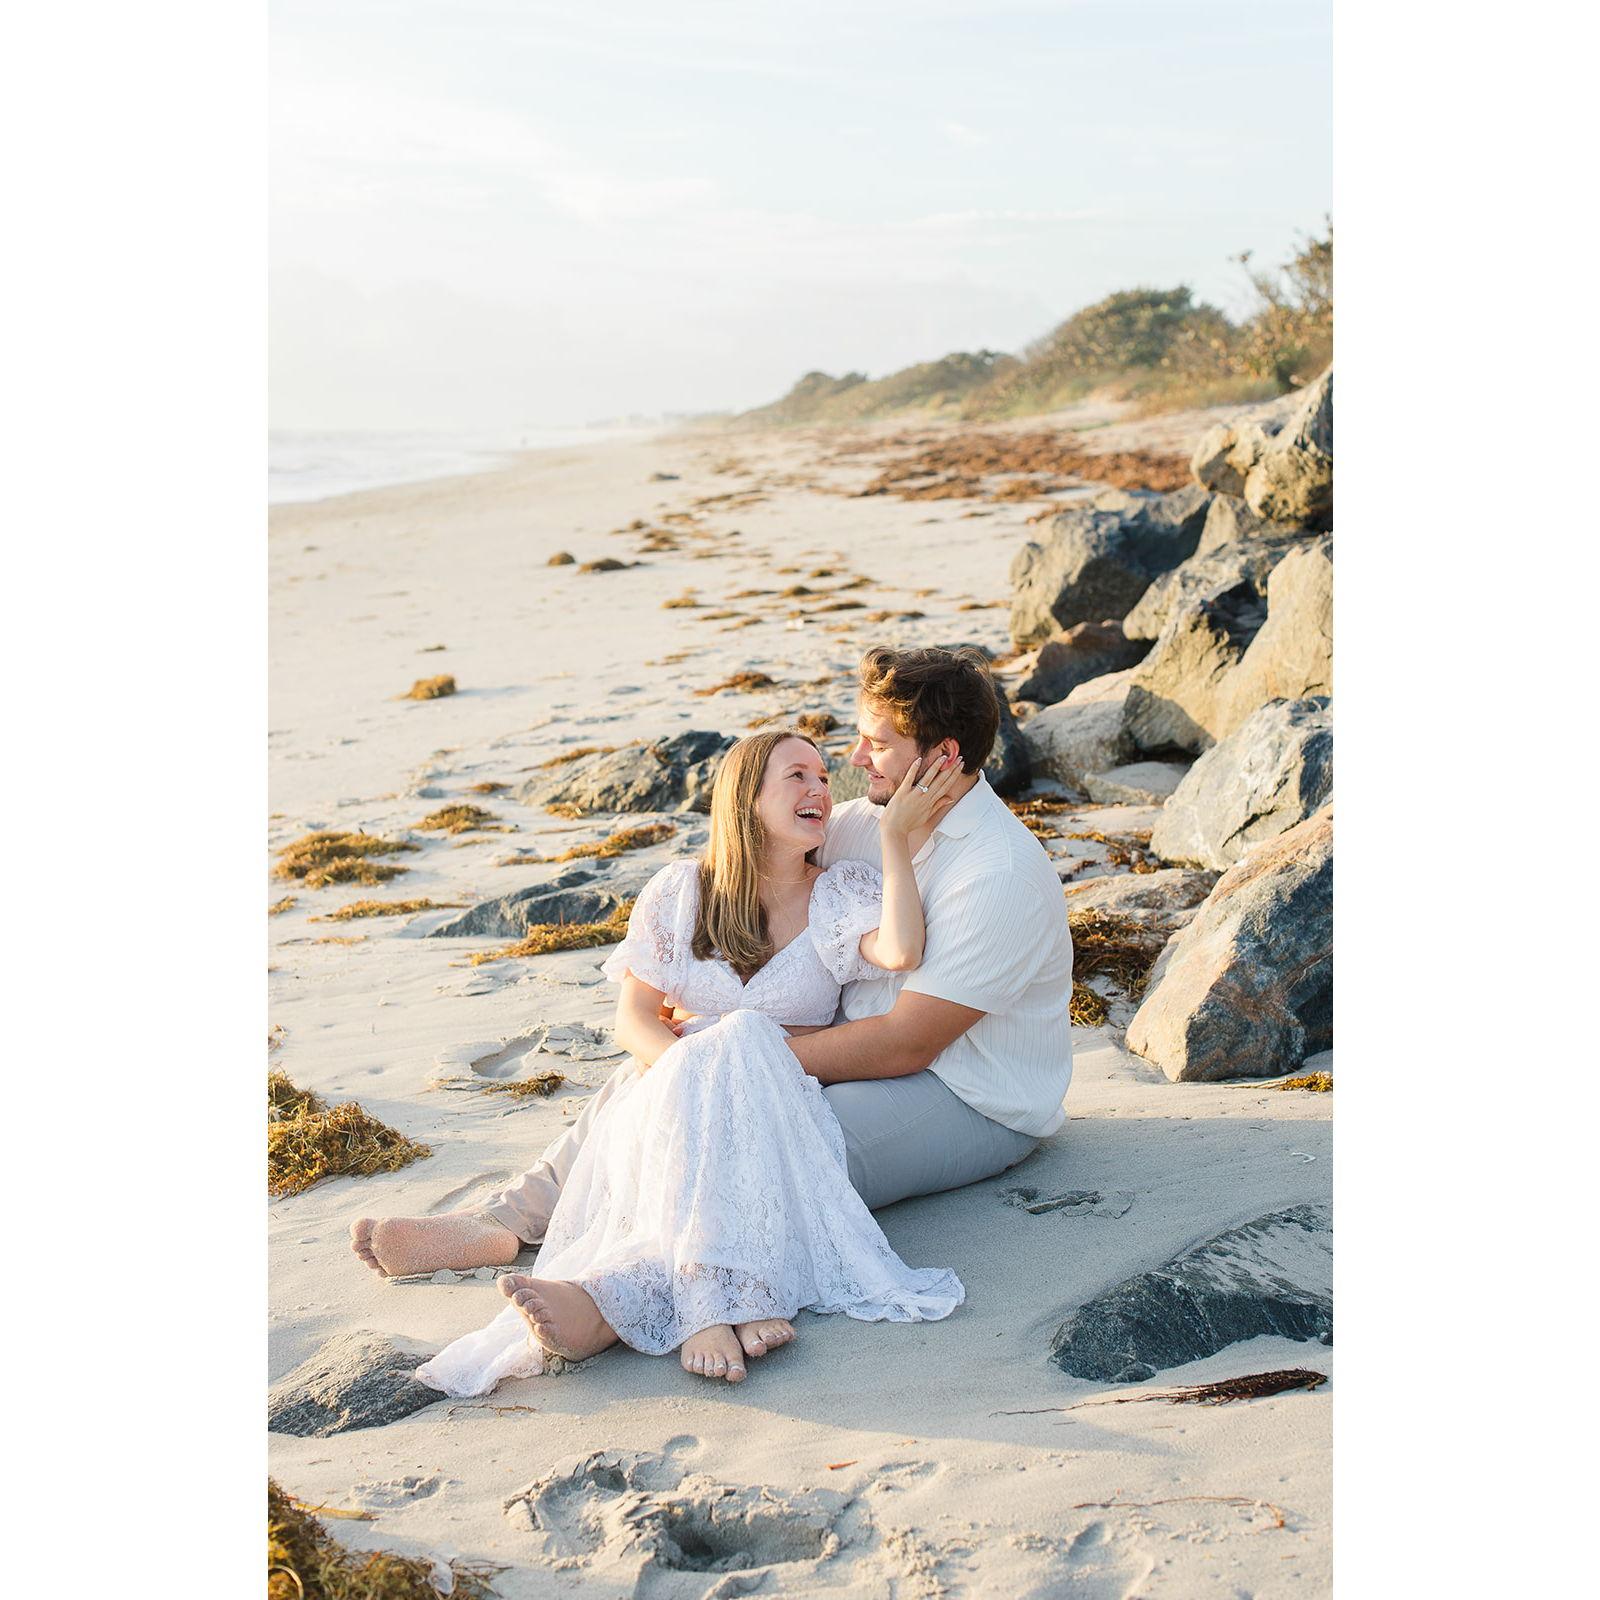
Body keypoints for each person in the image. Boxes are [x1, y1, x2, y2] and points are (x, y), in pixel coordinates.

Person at [352, 645, 1074, 1285]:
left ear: (942, 758)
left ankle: (609, 1297)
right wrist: (705, 1017)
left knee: (751, 1141)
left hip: (967, 1094)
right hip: (850, 1057)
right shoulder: (857, 826)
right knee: (662, 1082)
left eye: (876, 744)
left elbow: (906, 1043)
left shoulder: (998, 873)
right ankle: (508, 1219)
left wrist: (731, 1054)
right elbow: (762, 879)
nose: (854, 761)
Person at [413, 728, 967, 1393]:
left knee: (740, 1039)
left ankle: (624, 1299)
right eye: (798, 775)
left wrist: (894, 840)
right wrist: (691, 1074)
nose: (820, 789)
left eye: (824, 777)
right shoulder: (680, 891)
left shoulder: (838, 892)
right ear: (747, 796)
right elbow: (634, 1019)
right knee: (697, 1074)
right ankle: (712, 1294)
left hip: (774, 1097)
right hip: (671, 1085)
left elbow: (901, 951)